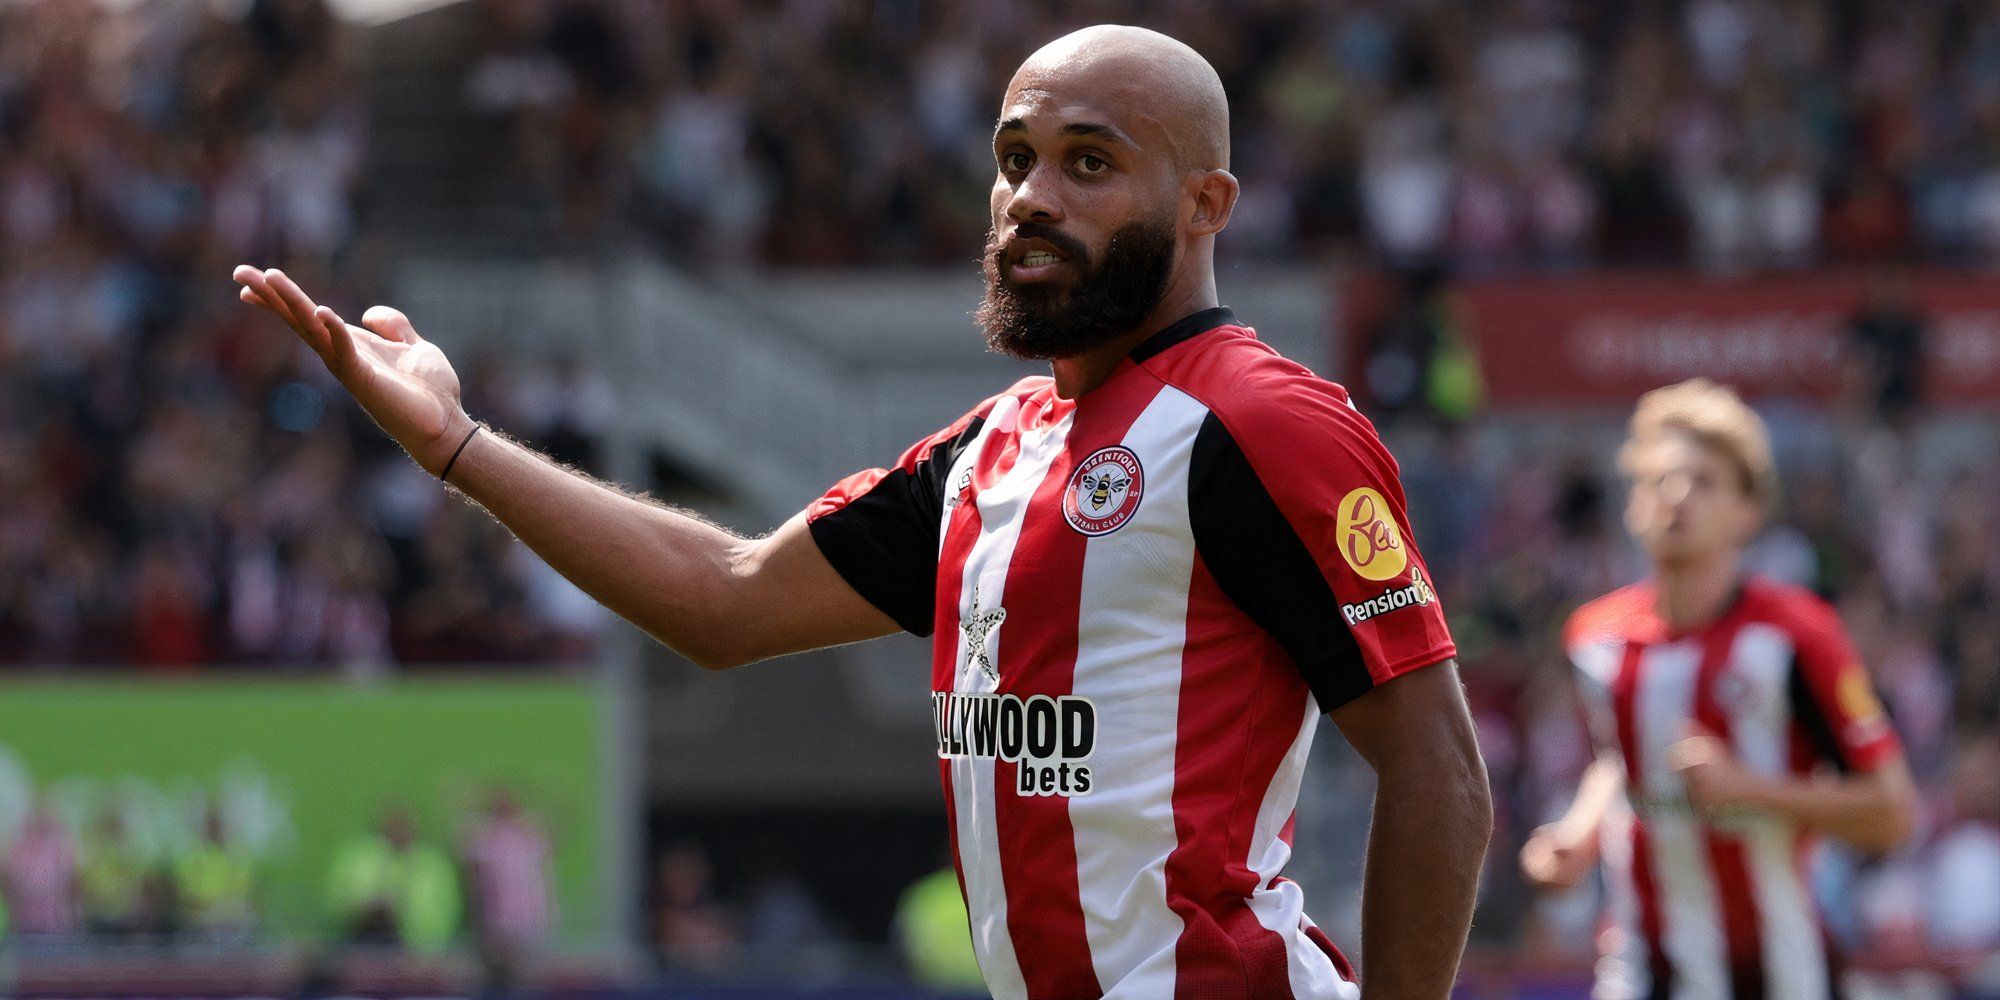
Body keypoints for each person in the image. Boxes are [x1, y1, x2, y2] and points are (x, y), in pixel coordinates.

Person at [233, 24, 1490, 997]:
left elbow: (1435, 769)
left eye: (1088, 163)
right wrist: (456, 443)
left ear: (1205, 204)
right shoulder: (994, 450)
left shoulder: (1258, 423)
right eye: (1013, 160)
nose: (1031, 197)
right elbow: (721, 601)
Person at [1520, 379, 1920, 999]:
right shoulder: (1594, 638)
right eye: (1657, 481)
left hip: (1780, 975)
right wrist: (1578, 836)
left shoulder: (1797, 636)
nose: (1676, 496)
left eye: (1703, 481)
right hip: (1638, 969)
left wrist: (1750, 791)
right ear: (1633, 505)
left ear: (1748, 512)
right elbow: (1619, 762)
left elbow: (1892, 814)